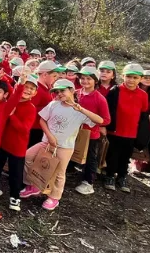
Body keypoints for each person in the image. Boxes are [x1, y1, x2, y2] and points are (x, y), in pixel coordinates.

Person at [20, 79, 104, 210]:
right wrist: (49, 136)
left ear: (71, 90)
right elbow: (42, 120)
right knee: (27, 157)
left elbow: (100, 120)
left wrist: (81, 109)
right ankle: (33, 184)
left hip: (64, 147)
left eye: (62, 91)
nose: (59, 94)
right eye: (57, 92)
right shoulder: (53, 104)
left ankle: (54, 197)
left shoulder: (79, 110)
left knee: (59, 172)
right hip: (46, 142)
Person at [0, 73, 39, 211]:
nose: (27, 90)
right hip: (3, 142)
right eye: (26, 86)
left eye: (32, 88)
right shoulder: (14, 99)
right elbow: (14, 89)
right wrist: (5, 77)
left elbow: (24, 130)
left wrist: (12, 116)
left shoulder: (30, 108)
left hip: (17, 147)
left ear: (35, 93)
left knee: (15, 173)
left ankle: (15, 196)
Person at [104, 63, 149, 193]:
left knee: (125, 156)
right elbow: (108, 110)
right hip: (115, 131)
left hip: (131, 133)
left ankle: (122, 176)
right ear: (123, 76)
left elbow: (143, 114)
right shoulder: (115, 90)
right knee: (112, 155)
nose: (131, 80)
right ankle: (110, 176)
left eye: (135, 77)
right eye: (129, 77)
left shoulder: (143, 95)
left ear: (140, 79)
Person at [74, 67, 111, 195]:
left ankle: (88, 182)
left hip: (91, 134)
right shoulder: (76, 93)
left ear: (95, 81)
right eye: (82, 78)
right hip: (74, 131)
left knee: (90, 158)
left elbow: (106, 120)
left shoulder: (100, 99)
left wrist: (91, 119)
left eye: (88, 78)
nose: (85, 81)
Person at [28, 60, 57, 145]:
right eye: (54, 76)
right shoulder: (37, 89)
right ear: (45, 75)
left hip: (41, 127)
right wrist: (49, 109)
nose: (55, 79)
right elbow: (31, 109)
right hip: (35, 128)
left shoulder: (47, 88)